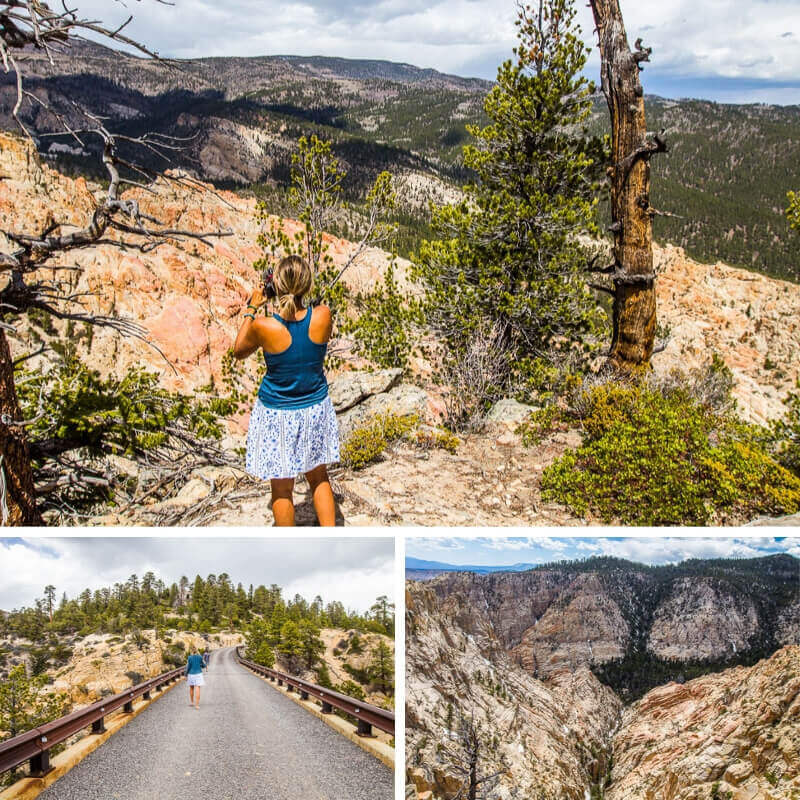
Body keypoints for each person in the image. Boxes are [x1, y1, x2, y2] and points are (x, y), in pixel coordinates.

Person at [233, 255, 340, 527]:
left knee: (282, 489)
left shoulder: (265, 326)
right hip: (315, 406)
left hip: (277, 413)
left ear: (275, 287)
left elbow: (239, 351)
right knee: (318, 478)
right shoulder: (323, 315)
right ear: (307, 284)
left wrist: (251, 308)